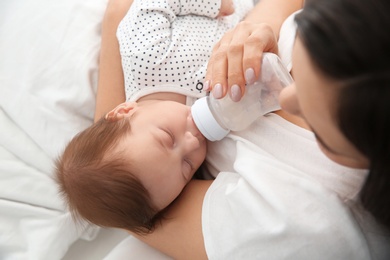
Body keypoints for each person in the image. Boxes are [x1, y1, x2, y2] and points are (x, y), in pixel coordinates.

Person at [96, 0, 390, 259]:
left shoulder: (307, 226)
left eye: (319, 124)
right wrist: (259, 28)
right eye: (305, 40)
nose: (286, 96)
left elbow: (126, 207)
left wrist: (116, 18)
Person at [55, 0, 256, 234]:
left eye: (168, 138)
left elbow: (153, 4)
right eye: (186, 167)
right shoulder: (212, 129)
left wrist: (211, 4)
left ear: (124, 111)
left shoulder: (144, 59)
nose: (192, 142)